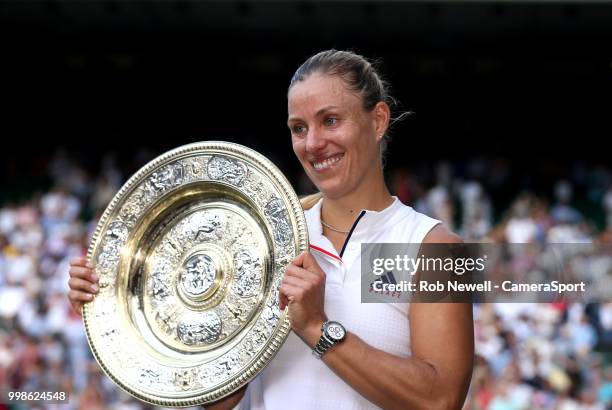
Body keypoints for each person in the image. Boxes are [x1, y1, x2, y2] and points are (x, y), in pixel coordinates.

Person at [68, 49, 474, 409]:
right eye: (299, 128)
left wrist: (316, 327)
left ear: (378, 119)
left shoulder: (435, 248)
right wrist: (112, 297)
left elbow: (440, 398)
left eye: (330, 121)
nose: (313, 143)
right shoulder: (263, 235)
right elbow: (225, 394)